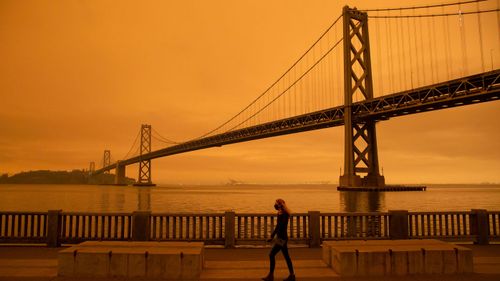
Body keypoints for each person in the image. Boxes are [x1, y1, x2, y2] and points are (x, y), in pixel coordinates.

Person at [262, 198, 295, 281]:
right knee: (287, 257)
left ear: (281, 205)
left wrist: (275, 238)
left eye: (276, 203)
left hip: (282, 238)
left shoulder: (285, 214)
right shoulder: (279, 214)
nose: (275, 205)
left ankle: (271, 276)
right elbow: (277, 226)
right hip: (280, 238)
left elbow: (281, 226)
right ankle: (292, 275)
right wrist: (272, 236)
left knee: (271, 254)